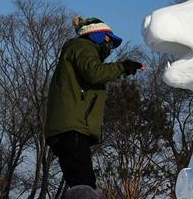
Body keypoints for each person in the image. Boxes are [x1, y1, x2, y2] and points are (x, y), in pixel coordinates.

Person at [45, 16, 143, 188]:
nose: (110, 45)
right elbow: (94, 73)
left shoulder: (77, 51)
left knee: (77, 183)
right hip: (71, 128)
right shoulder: (83, 46)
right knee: (84, 183)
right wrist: (123, 67)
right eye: (108, 39)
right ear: (96, 36)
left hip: (65, 128)